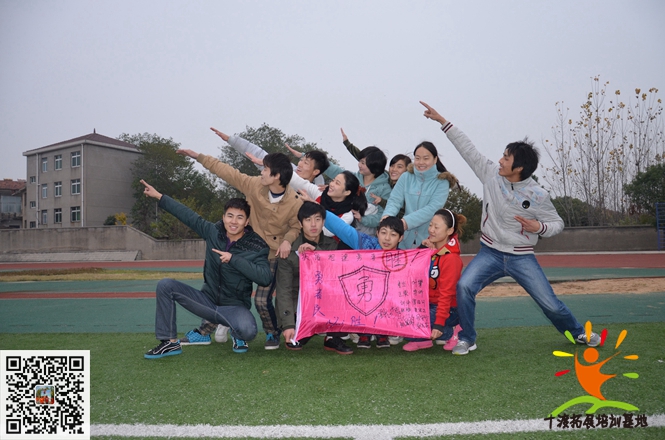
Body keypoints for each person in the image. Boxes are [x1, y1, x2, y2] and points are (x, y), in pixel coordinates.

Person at [420, 101, 600, 355]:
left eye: (506, 158)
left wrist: (539, 226)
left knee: (549, 303)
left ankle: (578, 332)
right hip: (490, 253)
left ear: (519, 168)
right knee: (464, 287)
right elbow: (468, 149)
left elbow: (557, 224)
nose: (500, 160)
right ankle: (467, 338)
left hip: (521, 257)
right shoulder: (491, 175)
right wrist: (443, 121)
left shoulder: (537, 194)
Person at [176, 146, 302, 350]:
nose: (261, 172)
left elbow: (296, 226)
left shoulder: (295, 202)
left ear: (277, 176)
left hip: (270, 255)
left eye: (265, 169)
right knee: (223, 288)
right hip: (244, 249)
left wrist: (287, 240)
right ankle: (205, 331)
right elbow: (228, 172)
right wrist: (199, 156)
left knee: (261, 300)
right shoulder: (255, 185)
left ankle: (272, 331)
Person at [140, 180, 271, 359]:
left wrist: (234, 259)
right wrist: (160, 197)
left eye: (239, 217)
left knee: (248, 331)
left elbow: (265, 278)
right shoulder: (213, 232)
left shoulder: (256, 245)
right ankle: (169, 343)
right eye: (230, 216)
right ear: (223, 217)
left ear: (247, 221)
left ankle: (237, 334)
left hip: (234, 307)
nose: (234, 221)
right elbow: (188, 215)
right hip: (206, 302)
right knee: (165, 285)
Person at [275, 201, 354, 354]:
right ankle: (304, 329)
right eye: (308, 220)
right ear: (300, 223)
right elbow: (284, 290)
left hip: (324, 299)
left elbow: (335, 277)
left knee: (342, 290)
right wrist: (288, 325)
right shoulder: (289, 250)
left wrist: (317, 253)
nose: (313, 224)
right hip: (299, 304)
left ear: (323, 222)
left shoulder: (331, 245)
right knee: (296, 337)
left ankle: (332, 337)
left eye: (317, 219)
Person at [323, 210, 407, 349]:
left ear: (400, 238)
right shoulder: (366, 244)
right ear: (377, 233)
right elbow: (342, 229)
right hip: (362, 296)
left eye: (393, 235)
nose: (387, 238)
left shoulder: (405, 257)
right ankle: (363, 330)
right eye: (383, 233)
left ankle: (384, 330)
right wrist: (320, 211)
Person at [403, 208, 465, 352]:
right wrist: (422, 249)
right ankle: (424, 339)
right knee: (403, 322)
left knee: (411, 323)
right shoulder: (429, 250)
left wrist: (439, 323)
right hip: (427, 304)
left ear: (449, 231)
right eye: (430, 225)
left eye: (436, 227)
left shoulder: (451, 259)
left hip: (449, 309)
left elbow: (446, 294)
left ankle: (453, 332)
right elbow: (409, 269)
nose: (431, 230)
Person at [382, 141, 458, 249]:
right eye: (417, 158)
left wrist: (406, 222)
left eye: (426, 158)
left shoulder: (442, 182)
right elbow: (394, 200)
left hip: (429, 241)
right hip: (404, 241)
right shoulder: (406, 177)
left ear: (435, 159)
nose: (421, 162)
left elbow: (432, 208)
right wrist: (386, 217)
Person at [322, 133, 392, 236]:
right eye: (360, 161)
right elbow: (334, 170)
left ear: (374, 166)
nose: (359, 165)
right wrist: (313, 159)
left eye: (363, 163)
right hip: (344, 228)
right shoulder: (353, 178)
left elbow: (383, 215)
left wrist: (363, 219)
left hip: (365, 235)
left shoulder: (385, 189)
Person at [211, 127, 329, 185]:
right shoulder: (287, 171)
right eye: (301, 160)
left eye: (306, 163)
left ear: (316, 172)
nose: (300, 164)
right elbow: (259, 153)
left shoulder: (320, 195)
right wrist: (231, 140)